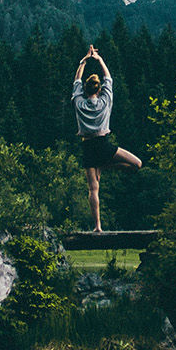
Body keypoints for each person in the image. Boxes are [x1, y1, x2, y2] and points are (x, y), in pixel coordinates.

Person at [72, 44, 141, 231]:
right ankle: (106, 166)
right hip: (104, 146)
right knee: (137, 164)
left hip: (87, 148)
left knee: (93, 190)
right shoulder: (105, 101)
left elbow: (77, 80)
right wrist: (99, 59)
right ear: (99, 89)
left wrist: (84, 61)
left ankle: (97, 226)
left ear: (84, 90)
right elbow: (108, 78)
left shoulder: (78, 102)